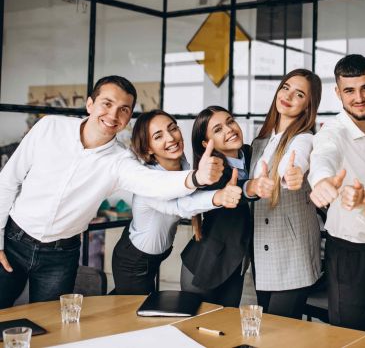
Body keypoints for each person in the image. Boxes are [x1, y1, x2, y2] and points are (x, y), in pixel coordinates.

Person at [0, 76, 223, 308]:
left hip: (60, 256)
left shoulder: (121, 160)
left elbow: (152, 182)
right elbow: (7, 181)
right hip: (13, 241)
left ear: (128, 118)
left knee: (48, 326)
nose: (113, 115)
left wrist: (196, 177)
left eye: (123, 109)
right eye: (107, 104)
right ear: (90, 104)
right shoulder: (49, 127)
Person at [308, 54, 365, 335]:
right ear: (338, 93)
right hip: (349, 255)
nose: (359, 97)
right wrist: (322, 181)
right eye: (349, 90)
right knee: (349, 336)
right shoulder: (332, 132)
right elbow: (323, 155)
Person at [112, 110, 242, 295]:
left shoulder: (182, 163)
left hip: (156, 255)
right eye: (158, 136)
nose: (171, 138)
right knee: (132, 313)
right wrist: (219, 196)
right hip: (134, 260)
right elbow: (181, 206)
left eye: (172, 128)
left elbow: (190, 192)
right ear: (148, 148)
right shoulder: (147, 182)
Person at [249, 69, 322, 319]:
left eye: (299, 94)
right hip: (262, 251)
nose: (288, 96)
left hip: (293, 254)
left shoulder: (306, 139)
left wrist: (291, 172)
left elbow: (296, 158)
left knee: (281, 334)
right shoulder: (260, 142)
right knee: (264, 328)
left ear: (308, 106)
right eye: (286, 87)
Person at [180, 105, 259, 307]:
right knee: (197, 330)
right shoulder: (212, 172)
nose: (229, 129)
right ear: (207, 143)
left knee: (226, 329)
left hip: (235, 264)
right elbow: (234, 190)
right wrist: (250, 187)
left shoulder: (252, 155)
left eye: (230, 121)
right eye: (218, 130)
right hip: (205, 264)